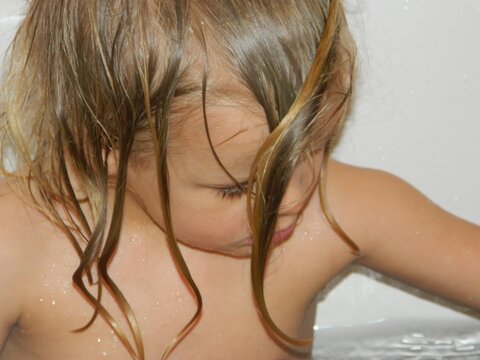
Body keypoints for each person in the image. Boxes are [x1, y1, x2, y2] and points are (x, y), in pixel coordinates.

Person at [0, 0, 478, 359]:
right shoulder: (22, 245)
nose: (291, 198)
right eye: (236, 187)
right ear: (105, 146)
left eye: (315, 146)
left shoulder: (335, 215)